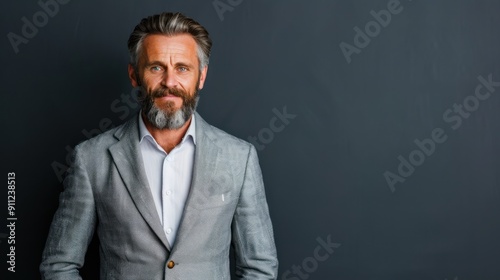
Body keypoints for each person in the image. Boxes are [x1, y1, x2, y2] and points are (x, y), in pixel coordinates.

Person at [40, 12, 278, 279]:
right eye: (156, 67)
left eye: (182, 68)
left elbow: (259, 266)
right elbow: (59, 265)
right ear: (134, 75)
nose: (169, 82)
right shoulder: (91, 158)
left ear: (201, 76)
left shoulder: (239, 158)